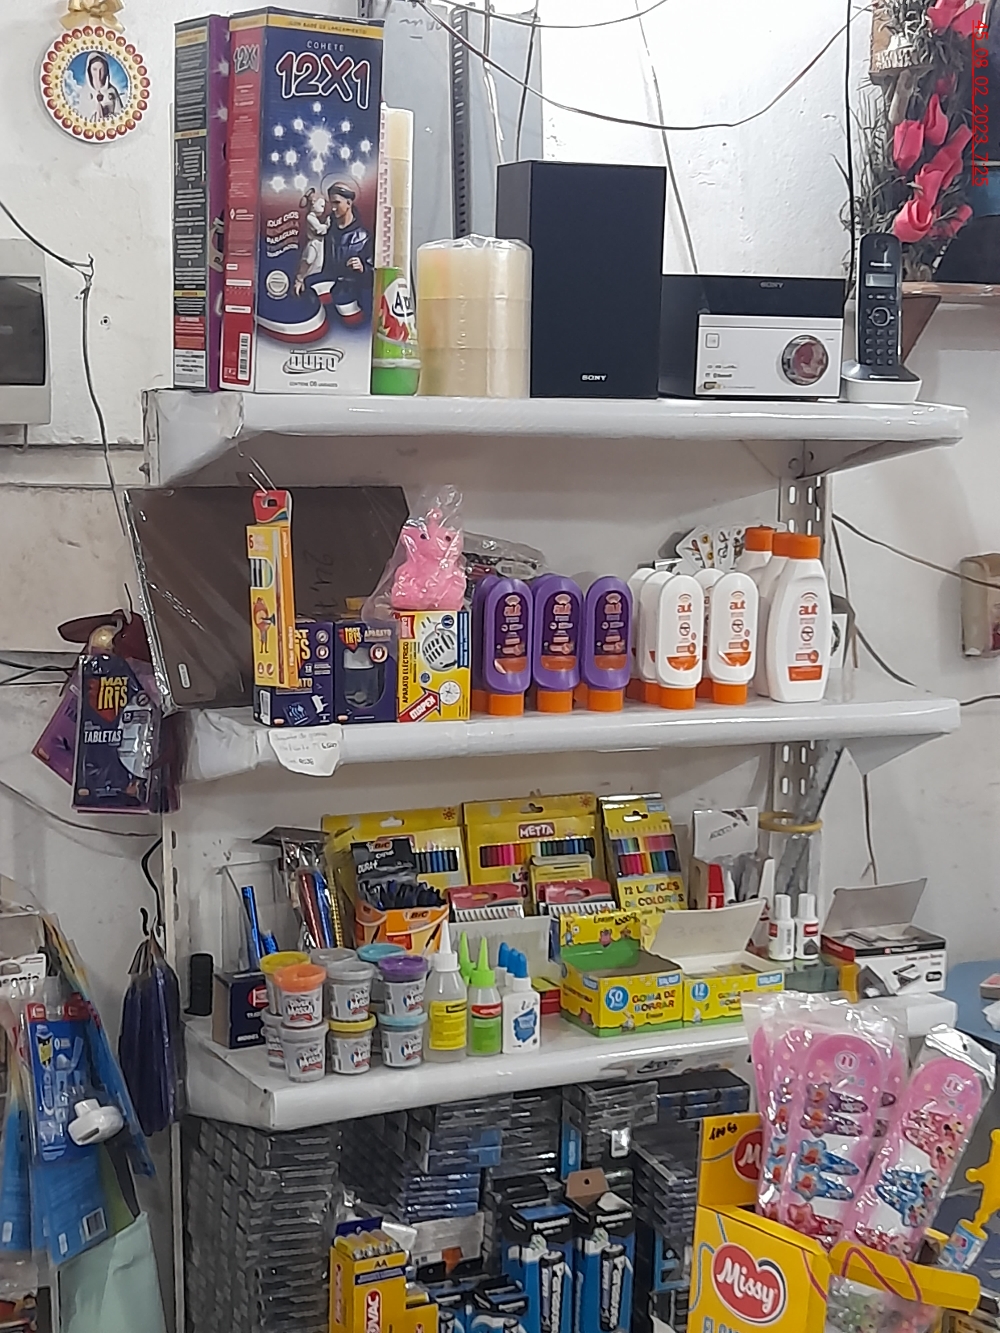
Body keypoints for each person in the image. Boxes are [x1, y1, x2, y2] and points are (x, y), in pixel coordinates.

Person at [311, 181, 373, 325]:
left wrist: (362, 268)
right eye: (331, 203)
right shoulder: (328, 232)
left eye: (337, 203)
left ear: (349, 203)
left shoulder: (364, 237)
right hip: (328, 290)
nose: (333, 208)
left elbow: (374, 277)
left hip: (352, 295)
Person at [293, 190, 330, 297]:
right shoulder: (310, 217)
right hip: (314, 243)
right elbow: (319, 230)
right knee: (309, 260)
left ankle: (308, 284)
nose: (323, 208)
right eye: (321, 205)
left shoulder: (315, 218)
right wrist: (327, 225)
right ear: (313, 204)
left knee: (317, 265)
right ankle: (300, 279)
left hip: (320, 244)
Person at [79, 52, 123, 122]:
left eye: (101, 70)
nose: (98, 74)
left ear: (106, 71)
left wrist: (109, 118)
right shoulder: (84, 92)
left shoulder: (112, 91)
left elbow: (120, 116)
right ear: (89, 71)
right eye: (95, 69)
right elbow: (81, 117)